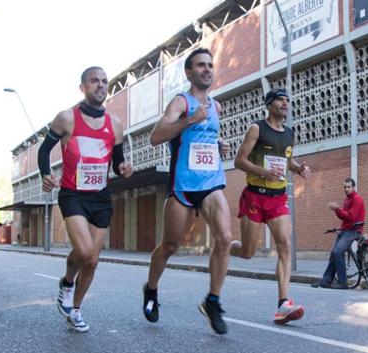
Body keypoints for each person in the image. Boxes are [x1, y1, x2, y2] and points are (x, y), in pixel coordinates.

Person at [142, 48, 232, 335]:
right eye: (200, 66)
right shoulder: (182, 102)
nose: (207, 69)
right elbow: (156, 137)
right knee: (170, 246)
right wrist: (189, 120)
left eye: (210, 65)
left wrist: (218, 147)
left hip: (210, 183)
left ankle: (213, 301)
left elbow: (202, 141)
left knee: (225, 238)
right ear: (189, 73)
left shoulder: (216, 107)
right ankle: (151, 290)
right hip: (182, 186)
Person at [39, 66, 133, 333]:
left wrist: (124, 168)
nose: (101, 85)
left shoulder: (115, 125)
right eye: (94, 81)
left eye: (104, 82)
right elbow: (45, 150)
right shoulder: (67, 118)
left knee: (92, 261)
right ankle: (67, 282)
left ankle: (76, 309)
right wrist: (46, 175)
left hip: (101, 196)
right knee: (84, 251)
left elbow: (117, 162)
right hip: (73, 194)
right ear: (83, 87)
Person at [230, 88, 310, 324]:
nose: (285, 103)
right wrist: (263, 171)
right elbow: (239, 160)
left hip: (277, 197)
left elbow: (287, 160)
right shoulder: (256, 128)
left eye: (287, 100)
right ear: (269, 104)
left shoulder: (289, 133)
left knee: (285, 245)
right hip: (255, 196)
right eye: (280, 100)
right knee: (247, 251)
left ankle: (283, 304)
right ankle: (224, 246)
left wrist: (299, 168)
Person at [312, 177, 365, 289]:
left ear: (353, 187)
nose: (346, 189)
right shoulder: (346, 200)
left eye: (348, 187)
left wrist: (337, 209)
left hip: (354, 230)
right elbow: (343, 217)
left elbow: (350, 217)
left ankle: (343, 282)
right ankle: (326, 280)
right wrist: (337, 210)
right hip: (345, 230)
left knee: (338, 252)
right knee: (333, 254)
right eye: (344, 187)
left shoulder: (357, 199)